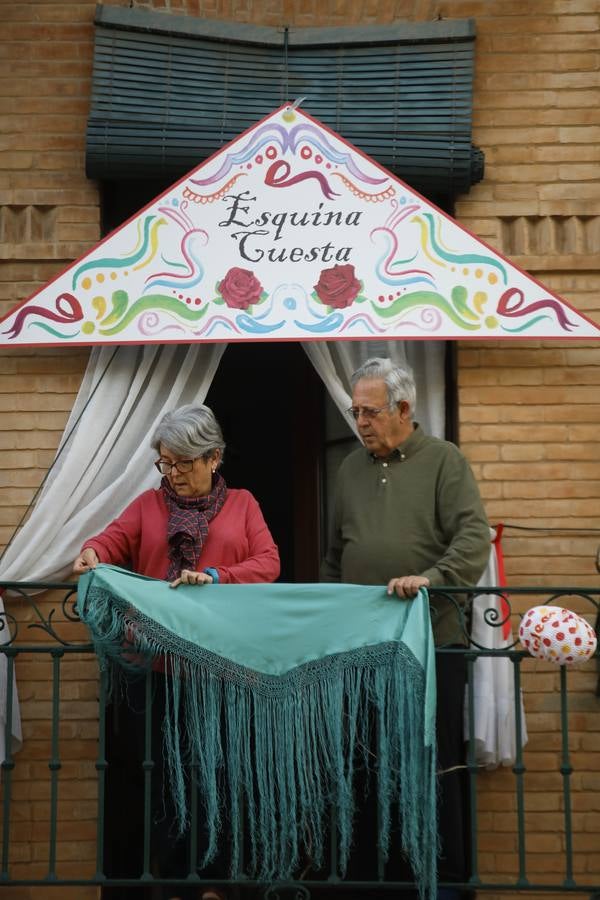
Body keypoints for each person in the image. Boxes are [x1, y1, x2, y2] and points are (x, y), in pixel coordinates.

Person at [73, 403, 280, 900]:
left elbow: (268, 563)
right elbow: (110, 540)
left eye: (184, 462)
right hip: (155, 668)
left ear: (213, 458)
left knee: (219, 774)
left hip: (221, 669)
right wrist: (93, 552)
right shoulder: (148, 505)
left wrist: (215, 577)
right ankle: (175, 884)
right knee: (163, 780)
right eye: (166, 463)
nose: (174, 474)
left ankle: (216, 885)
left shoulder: (244, 504)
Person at [321, 357, 490, 896]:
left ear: (404, 408)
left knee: (432, 770)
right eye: (355, 412)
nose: (360, 422)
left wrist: (431, 578)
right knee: (364, 769)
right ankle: (370, 885)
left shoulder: (444, 461)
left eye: (370, 411)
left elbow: (473, 539)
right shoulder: (347, 469)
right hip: (363, 650)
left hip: (432, 644)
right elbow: (333, 557)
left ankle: (439, 884)